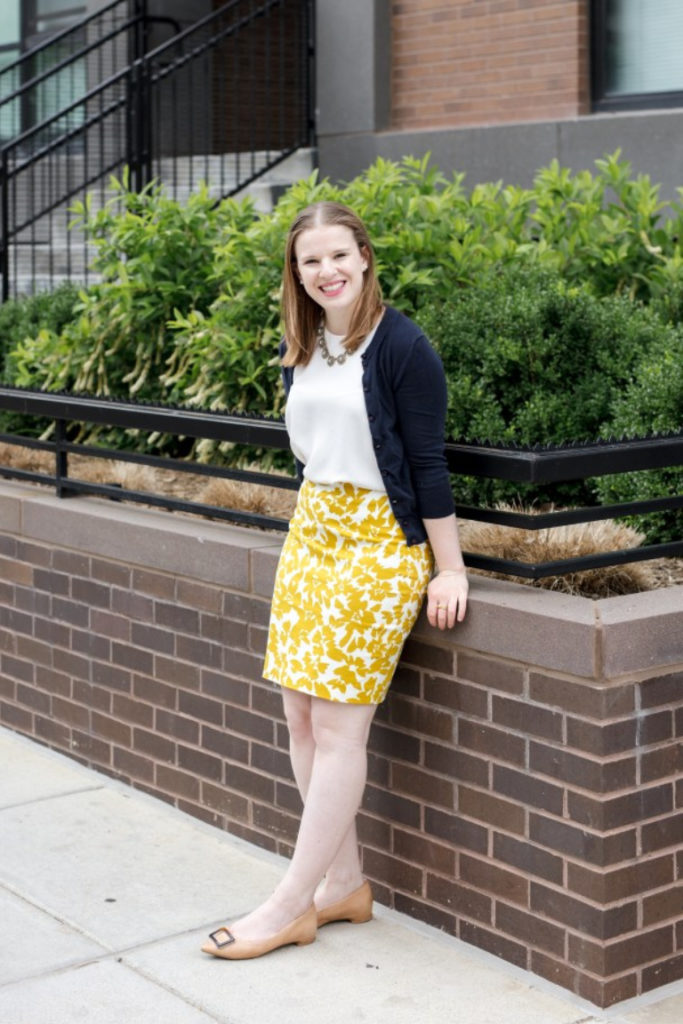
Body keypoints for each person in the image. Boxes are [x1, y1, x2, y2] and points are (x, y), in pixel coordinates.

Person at [201, 201, 468, 961]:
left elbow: (426, 463)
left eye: (338, 256)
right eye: (311, 261)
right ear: (298, 272)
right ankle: (344, 882)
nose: (327, 272)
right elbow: (310, 452)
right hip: (312, 532)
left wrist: (448, 568)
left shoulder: (402, 346)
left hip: (380, 543)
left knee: (342, 726)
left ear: (364, 256)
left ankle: (291, 904)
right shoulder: (304, 343)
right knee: (299, 718)